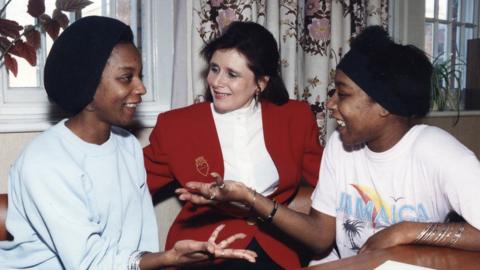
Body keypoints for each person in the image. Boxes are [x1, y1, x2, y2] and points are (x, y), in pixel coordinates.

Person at [177, 25, 480, 263]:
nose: (330, 104)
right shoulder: (340, 145)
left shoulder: (436, 151)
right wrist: (250, 197)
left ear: (384, 105)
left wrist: (406, 231)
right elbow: (321, 236)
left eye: (343, 95)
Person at [0, 16, 257, 270]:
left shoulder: (127, 145)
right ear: (87, 87)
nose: (142, 88)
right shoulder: (44, 162)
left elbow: (140, 238)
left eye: (140, 75)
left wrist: (162, 259)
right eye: (126, 77)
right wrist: (168, 258)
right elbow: (88, 263)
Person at [143, 21, 323, 269]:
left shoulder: (295, 117)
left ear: (260, 82)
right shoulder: (176, 126)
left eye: (232, 74)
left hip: (274, 246)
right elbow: (132, 183)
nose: (216, 82)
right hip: (207, 250)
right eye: (214, 69)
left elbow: (328, 184)